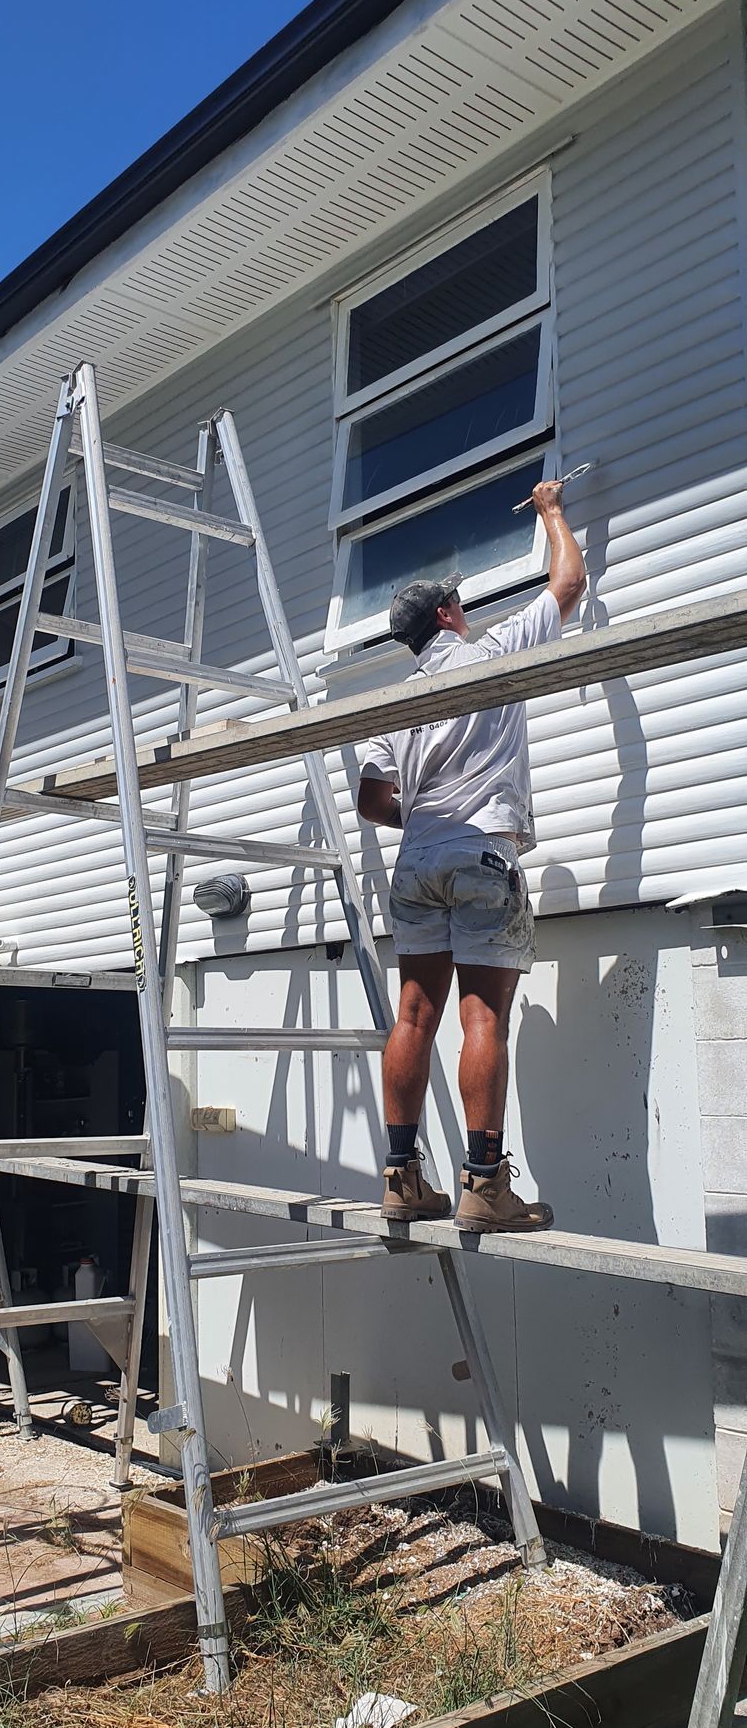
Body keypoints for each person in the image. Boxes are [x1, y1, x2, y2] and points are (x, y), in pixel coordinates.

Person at [357, 480, 586, 1232]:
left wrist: (425, 821)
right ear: (447, 616)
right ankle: (484, 1187)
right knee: (482, 1014)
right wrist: (551, 510)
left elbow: (371, 801)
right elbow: (568, 584)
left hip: (416, 860)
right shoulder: (490, 654)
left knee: (413, 1014)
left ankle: (401, 1179)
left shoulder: (393, 704)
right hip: (481, 852)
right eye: (458, 601)